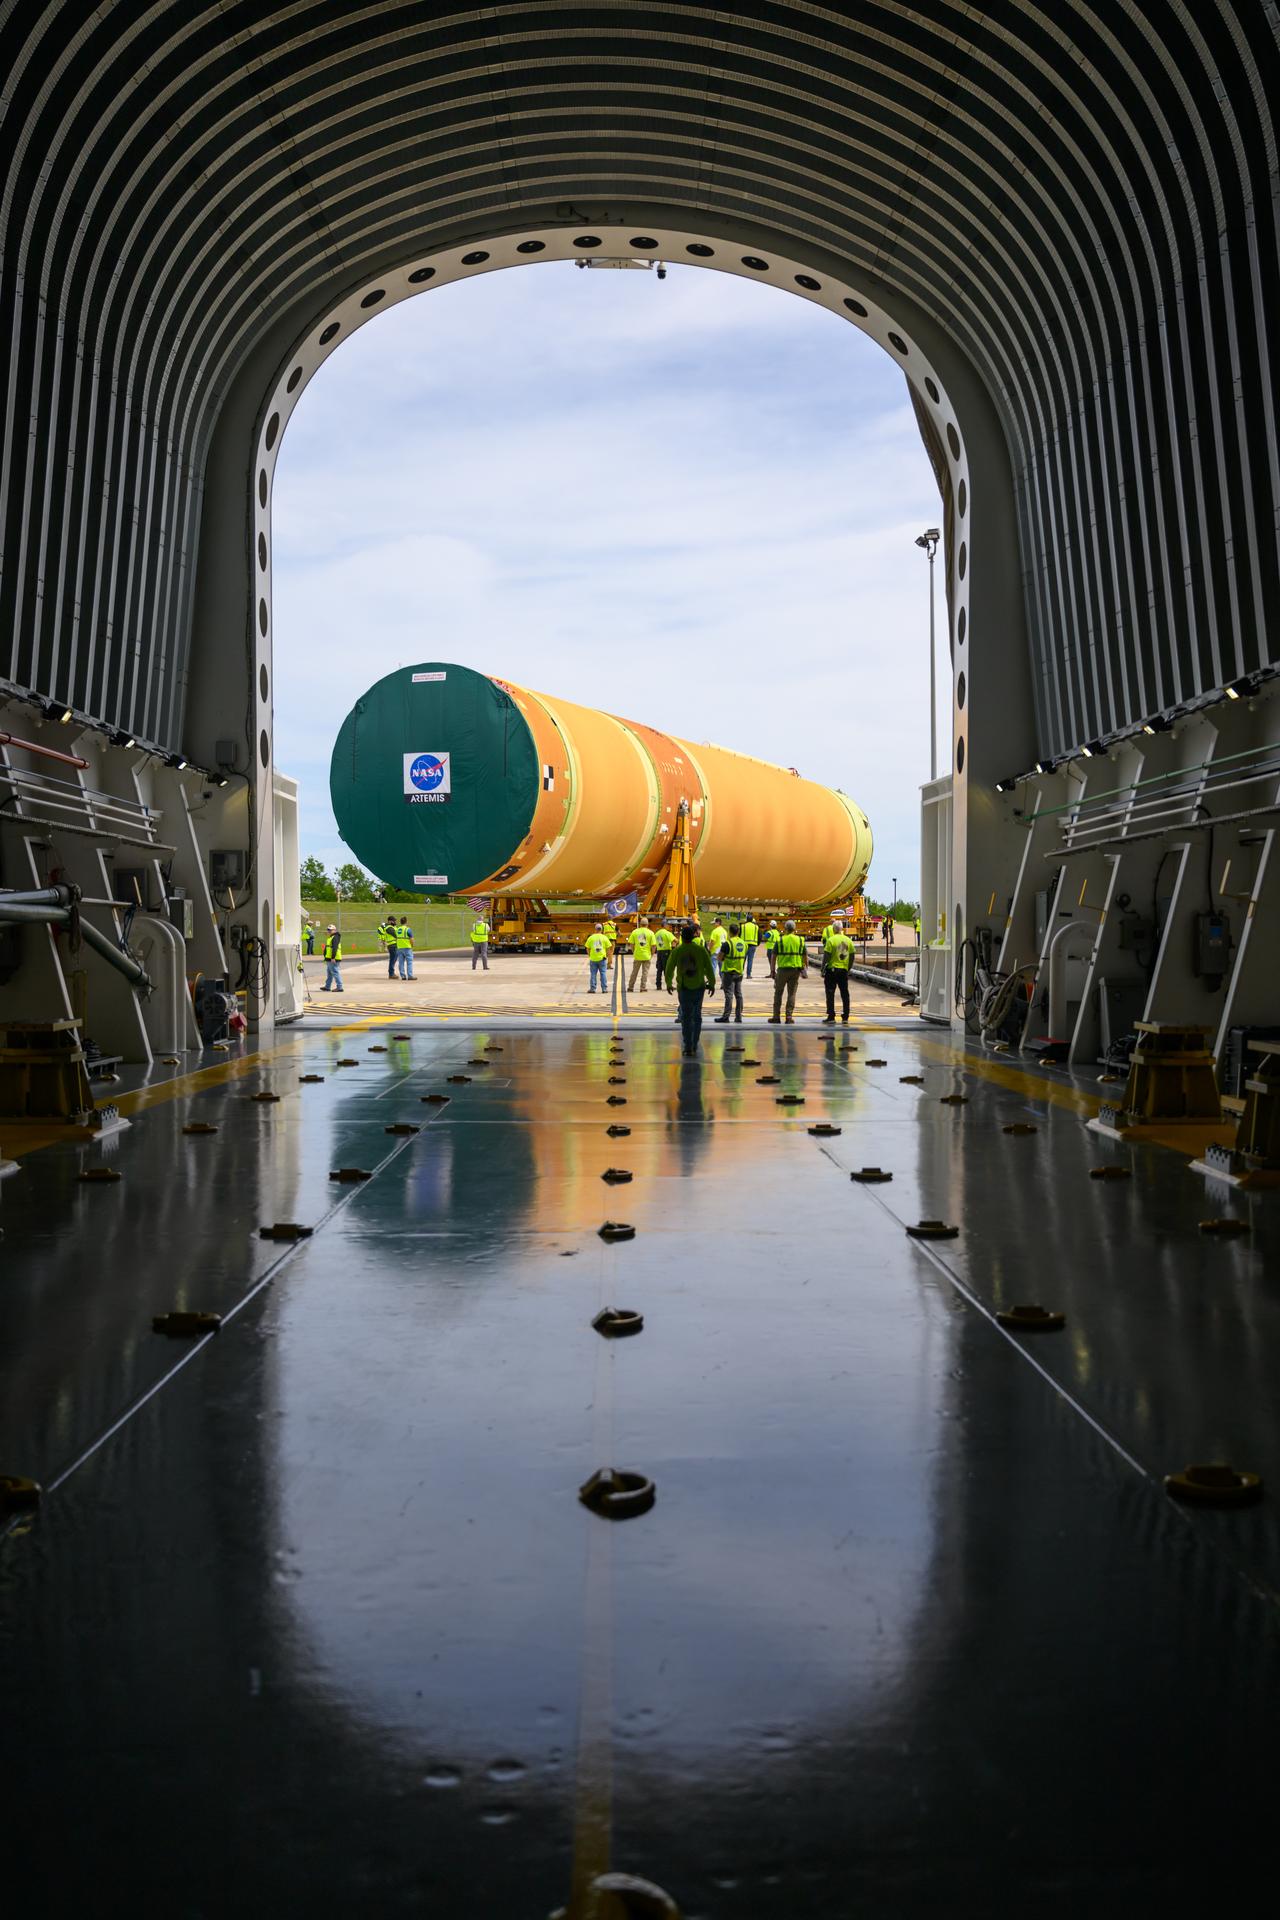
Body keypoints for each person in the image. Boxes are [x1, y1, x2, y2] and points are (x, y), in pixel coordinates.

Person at [666, 921, 717, 1056]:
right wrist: (712, 984)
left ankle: (688, 1046)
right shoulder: (701, 950)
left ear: (682, 937)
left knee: (686, 1018)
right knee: (697, 1016)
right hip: (699, 988)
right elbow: (709, 969)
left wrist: (668, 983)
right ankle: (695, 1044)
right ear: (693, 937)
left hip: (684, 989)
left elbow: (669, 968)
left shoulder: (678, 950)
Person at [769, 919, 807, 1023]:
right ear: (794, 929)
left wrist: (772, 970)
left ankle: (776, 1017)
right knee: (791, 994)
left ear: (785, 929)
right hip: (795, 971)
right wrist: (804, 968)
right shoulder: (800, 940)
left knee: (778, 993)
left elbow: (773, 956)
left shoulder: (780, 940)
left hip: (782, 970)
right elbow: (804, 955)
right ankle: (789, 1017)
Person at [714, 922, 747, 1023]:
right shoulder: (744, 943)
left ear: (730, 932)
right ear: (738, 932)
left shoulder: (727, 944)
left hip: (729, 972)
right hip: (739, 972)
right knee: (739, 994)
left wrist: (724, 959)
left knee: (729, 995)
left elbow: (719, 958)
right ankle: (738, 1017)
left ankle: (726, 1016)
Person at [823, 925, 853, 1023]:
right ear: (842, 929)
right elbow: (852, 956)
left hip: (832, 970)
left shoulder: (831, 940)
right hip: (843, 970)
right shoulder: (848, 940)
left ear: (833, 929)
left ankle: (831, 1016)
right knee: (845, 993)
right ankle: (845, 1016)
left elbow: (826, 956)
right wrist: (848, 968)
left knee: (830, 993)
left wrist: (823, 969)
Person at [627, 916, 655, 992]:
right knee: (645, 973)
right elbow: (653, 946)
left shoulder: (635, 932)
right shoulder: (651, 933)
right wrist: (652, 954)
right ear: (647, 924)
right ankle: (643, 987)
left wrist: (634, 951)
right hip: (647, 955)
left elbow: (631, 944)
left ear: (640, 924)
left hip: (637, 955)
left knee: (634, 972)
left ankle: (630, 987)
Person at [585, 923, 609, 993]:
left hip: (593, 959)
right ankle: (604, 989)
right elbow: (608, 948)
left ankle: (593, 989)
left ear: (595, 929)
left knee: (593, 974)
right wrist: (606, 956)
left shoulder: (591, 938)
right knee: (603, 973)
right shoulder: (604, 937)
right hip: (602, 958)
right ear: (601, 929)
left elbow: (587, 948)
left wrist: (590, 955)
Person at [653, 919, 676, 989]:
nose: (668, 926)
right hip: (666, 951)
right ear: (665, 925)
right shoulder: (667, 933)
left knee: (659, 969)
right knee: (667, 969)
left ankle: (658, 985)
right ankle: (669, 985)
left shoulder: (657, 933)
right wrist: (673, 946)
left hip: (659, 952)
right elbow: (675, 940)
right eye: (668, 925)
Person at [321, 923, 343, 992]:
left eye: (330, 930)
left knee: (335, 972)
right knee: (329, 973)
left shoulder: (335, 937)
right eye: (328, 930)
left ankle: (339, 987)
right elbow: (328, 948)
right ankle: (327, 986)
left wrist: (333, 957)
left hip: (333, 958)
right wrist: (325, 956)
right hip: (329, 958)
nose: (329, 931)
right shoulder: (330, 937)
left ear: (334, 930)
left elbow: (335, 948)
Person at [395, 915, 415, 979]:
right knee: (409, 962)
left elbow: (396, 938)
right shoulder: (408, 929)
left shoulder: (397, 929)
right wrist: (412, 945)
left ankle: (403, 976)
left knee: (401, 962)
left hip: (399, 948)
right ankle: (410, 975)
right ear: (406, 922)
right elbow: (411, 939)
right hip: (407, 948)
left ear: (400, 922)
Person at [378, 913, 398, 979]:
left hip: (394, 945)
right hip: (392, 946)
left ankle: (391, 973)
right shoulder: (389, 928)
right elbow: (396, 935)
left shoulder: (393, 927)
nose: (395, 922)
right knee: (392, 959)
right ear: (389, 921)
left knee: (394, 959)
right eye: (394, 921)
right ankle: (391, 974)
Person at [742, 912, 759, 977]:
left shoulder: (743, 926)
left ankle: (740, 972)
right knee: (750, 960)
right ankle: (748, 975)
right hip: (753, 945)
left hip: (744, 945)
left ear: (746, 919)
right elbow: (759, 936)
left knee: (742, 960)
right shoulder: (756, 927)